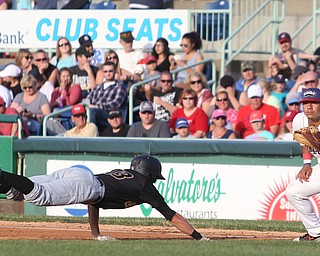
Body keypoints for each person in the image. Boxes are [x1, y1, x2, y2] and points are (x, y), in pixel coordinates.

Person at [0, 154, 208, 241]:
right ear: (150, 173)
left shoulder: (125, 176)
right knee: (38, 196)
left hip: (83, 177)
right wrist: (198, 236)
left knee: (17, 192)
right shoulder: (145, 186)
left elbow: (94, 202)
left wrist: (96, 234)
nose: (154, 181)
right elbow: (171, 216)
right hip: (88, 184)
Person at [286, 87, 320, 241]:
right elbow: (303, 142)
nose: (309, 106)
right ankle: (316, 232)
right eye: (305, 103)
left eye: (313, 102)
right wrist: (307, 164)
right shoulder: (299, 119)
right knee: (294, 192)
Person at [85, 61, 127, 132]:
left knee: (92, 112)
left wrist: (97, 106)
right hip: (93, 110)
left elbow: (115, 104)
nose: (108, 73)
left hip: (110, 114)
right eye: (105, 71)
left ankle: (90, 135)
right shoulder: (98, 87)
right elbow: (88, 98)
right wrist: (88, 104)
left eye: (110, 71)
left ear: (115, 71)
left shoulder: (119, 87)